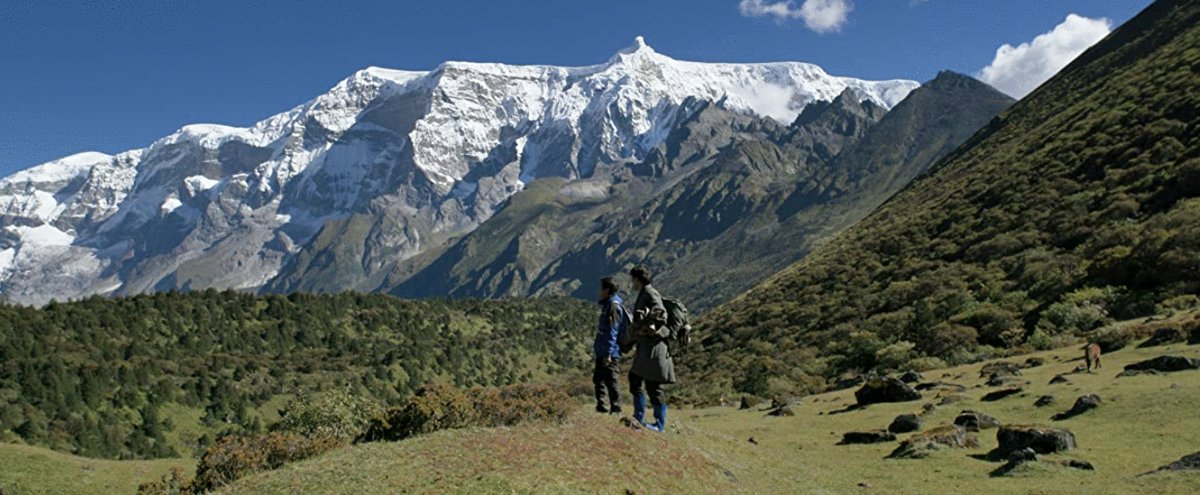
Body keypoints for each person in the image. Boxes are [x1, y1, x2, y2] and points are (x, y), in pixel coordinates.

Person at [621, 265, 675, 432]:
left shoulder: (650, 293)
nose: (632, 283)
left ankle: (658, 425)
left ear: (638, 279)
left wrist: (647, 325)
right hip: (646, 349)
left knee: (653, 387)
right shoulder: (645, 292)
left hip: (654, 349)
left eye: (633, 280)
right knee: (636, 379)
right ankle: (639, 417)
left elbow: (661, 314)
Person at [593, 277, 626, 414]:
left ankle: (616, 408)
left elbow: (613, 331)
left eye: (601, 289)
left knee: (611, 380)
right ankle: (602, 406)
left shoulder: (613, 306)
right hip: (603, 349)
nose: (599, 291)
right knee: (598, 378)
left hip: (610, 352)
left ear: (607, 290)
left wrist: (608, 354)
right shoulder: (608, 304)